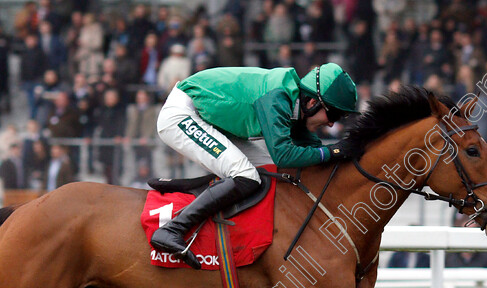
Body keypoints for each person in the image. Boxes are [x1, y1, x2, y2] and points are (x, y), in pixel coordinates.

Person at [151, 63, 357, 269]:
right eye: (334, 115)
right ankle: (172, 230)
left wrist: (341, 155)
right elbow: (285, 155)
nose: (332, 124)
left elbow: (309, 155)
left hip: (210, 118)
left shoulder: (296, 104)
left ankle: (190, 187)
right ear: (312, 102)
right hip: (183, 113)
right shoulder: (278, 98)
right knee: (246, 175)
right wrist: (334, 151)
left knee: (268, 170)